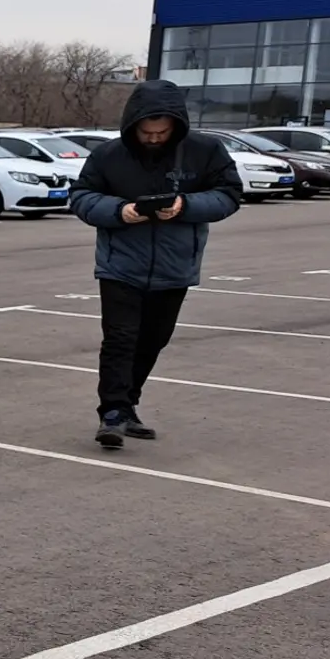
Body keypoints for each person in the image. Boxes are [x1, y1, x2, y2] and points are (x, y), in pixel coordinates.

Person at [69, 80, 240, 449]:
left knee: (153, 339)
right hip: (120, 264)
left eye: (161, 132)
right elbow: (81, 197)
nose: (153, 138)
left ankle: (128, 405)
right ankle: (111, 414)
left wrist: (185, 206)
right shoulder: (108, 155)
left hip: (175, 265)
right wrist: (120, 211)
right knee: (120, 338)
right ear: (133, 125)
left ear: (176, 126)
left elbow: (228, 195)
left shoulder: (206, 151)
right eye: (146, 132)